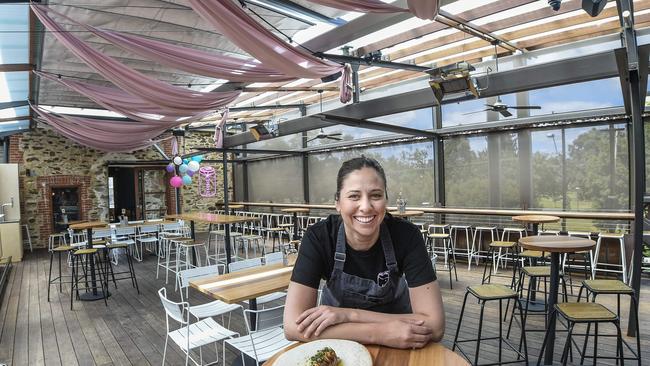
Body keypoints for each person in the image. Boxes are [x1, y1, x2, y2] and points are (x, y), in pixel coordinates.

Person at [284, 156, 444, 349]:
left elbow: (435, 326)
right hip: (340, 349)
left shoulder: (406, 236)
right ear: (337, 203)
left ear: (386, 200)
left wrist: (348, 315)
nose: (366, 206)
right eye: (354, 196)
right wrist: (379, 333)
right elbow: (292, 326)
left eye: (375, 195)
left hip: (401, 343)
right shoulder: (320, 237)